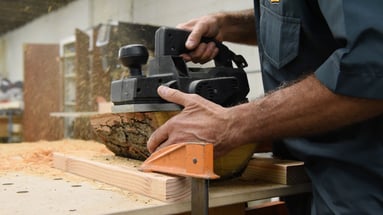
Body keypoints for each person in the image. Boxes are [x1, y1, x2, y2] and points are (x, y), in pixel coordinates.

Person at [147, 1, 383, 214]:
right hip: (304, 176)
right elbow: (300, 14)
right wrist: (227, 25)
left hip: (361, 183)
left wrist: (233, 124)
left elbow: (371, 71)